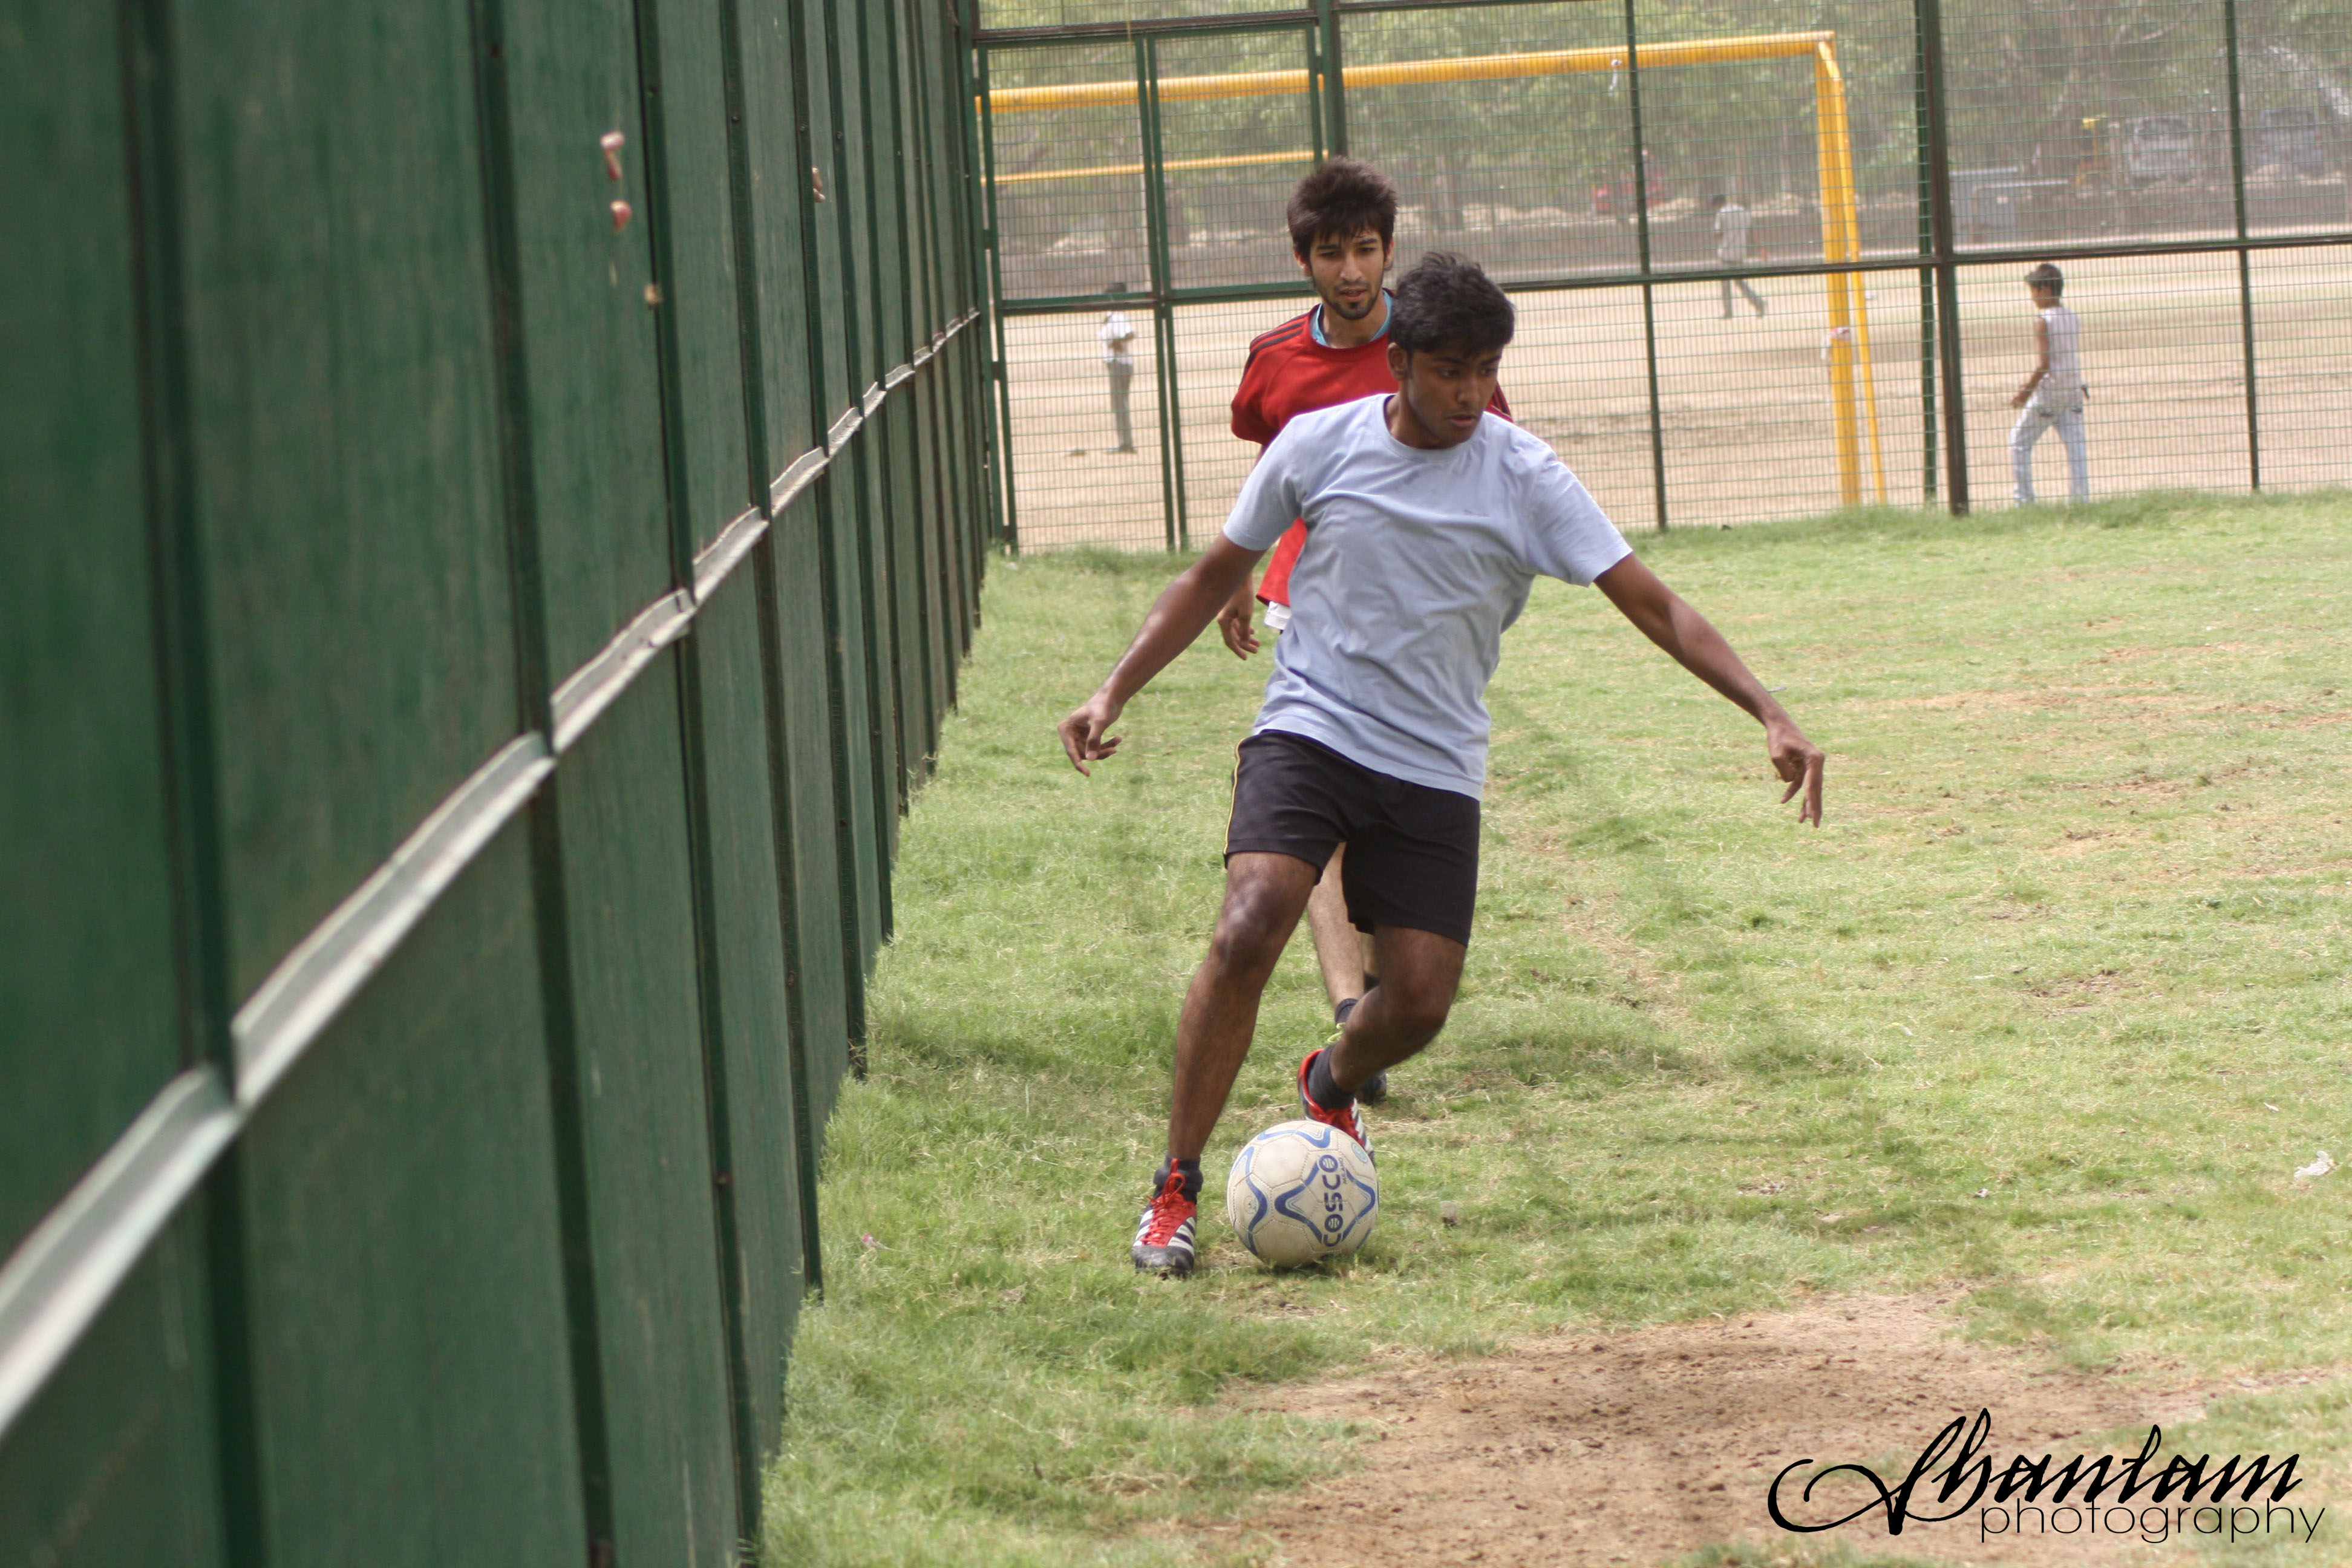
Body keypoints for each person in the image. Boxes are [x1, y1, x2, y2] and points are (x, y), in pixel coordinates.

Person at [1058, 253, 1826, 1275]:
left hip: (1432, 763)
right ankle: (1175, 1186)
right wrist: (1112, 689)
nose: (1470, 392)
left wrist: (1768, 709)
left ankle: (1329, 1081)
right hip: (1310, 730)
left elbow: (1655, 604)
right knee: (1249, 921)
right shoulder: (1318, 445)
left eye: (1486, 370)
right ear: (1401, 362)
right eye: (1450, 370)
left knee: (1418, 1004)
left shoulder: (1525, 476)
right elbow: (1210, 577)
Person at [1215, 160, 1513, 1095]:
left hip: (1417, 610)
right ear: (1303, 261)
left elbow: (1490, 459)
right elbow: (1272, 463)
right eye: (1332, 253)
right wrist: (1240, 575)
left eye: (1367, 250)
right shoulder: (1274, 360)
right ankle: (1350, 1007)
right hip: (1312, 595)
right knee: (1327, 808)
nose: (1351, 271)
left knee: (1392, 802)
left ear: (1389, 252)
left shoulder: (1435, 346)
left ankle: (1383, 993)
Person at [2008, 261, 2088, 504]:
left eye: (2033, 291)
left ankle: (2024, 500)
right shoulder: (2072, 317)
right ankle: (2080, 499)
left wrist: (2026, 391)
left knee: (2019, 442)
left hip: (2051, 392)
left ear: (2045, 290)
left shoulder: (2043, 320)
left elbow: (2045, 363)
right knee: (2076, 446)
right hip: (2072, 388)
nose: (2032, 298)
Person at [1708, 195, 1767, 319]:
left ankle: (1728, 312)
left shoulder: (1722, 213)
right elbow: (1752, 231)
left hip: (1726, 253)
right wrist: (1761, 248)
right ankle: (1758, 303)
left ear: (1718, 204)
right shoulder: (1742, 211)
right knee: (1740, 282)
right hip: (1740, 252)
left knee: (1726, 284)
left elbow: (1718, 233)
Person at [1099, 285, 1137, 454]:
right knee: (1118, 405)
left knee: (1120, 404)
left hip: (1119, 364)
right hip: (1115, 363)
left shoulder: (1118, 316)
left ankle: (1126, 443)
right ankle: (1124, 441)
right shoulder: (1111, 316)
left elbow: (1130, 334)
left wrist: (1116, 343)